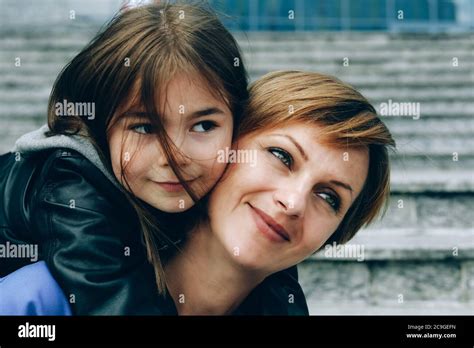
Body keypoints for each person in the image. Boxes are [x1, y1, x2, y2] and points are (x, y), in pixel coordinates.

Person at [1, 70, 395, 315]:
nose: (292, 203)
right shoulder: (38, 302)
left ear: (337, 234)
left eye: (329, 197)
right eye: (281, 156)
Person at [0, 2, 305, 315]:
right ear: (103, 127)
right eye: (144, 127)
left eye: (203, 126)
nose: (174, 158)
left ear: (236, 123)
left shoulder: (231, 178)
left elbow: (275, 287)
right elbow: (112, 300)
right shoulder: (71, 182)